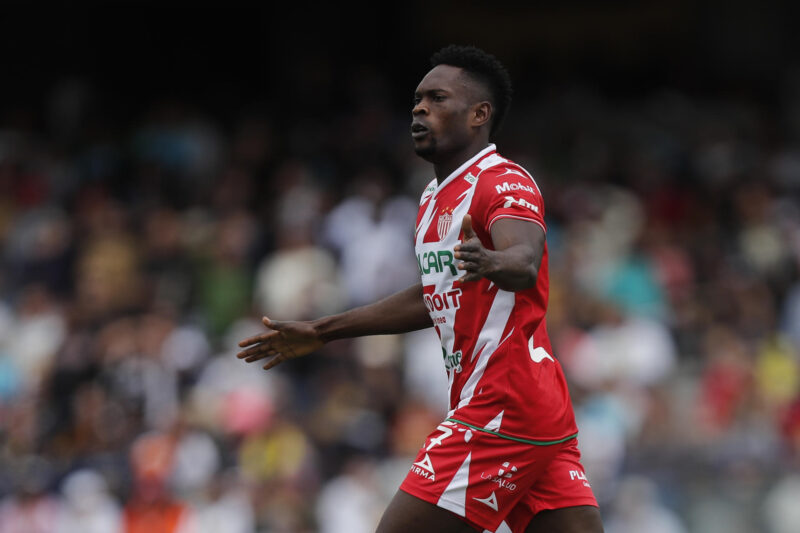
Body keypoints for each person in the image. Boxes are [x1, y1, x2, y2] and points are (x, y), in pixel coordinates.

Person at [237, 45, 604, 533]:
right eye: (416, 100)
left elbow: (524, 260)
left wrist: (492, 260)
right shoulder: (432, 199)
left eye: (436, 98)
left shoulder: (504, 180)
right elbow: (432, 297)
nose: (419, 109)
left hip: (502, 405)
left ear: (479, 114)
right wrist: (325, 330)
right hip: (528, 411)